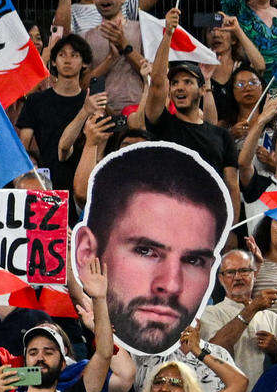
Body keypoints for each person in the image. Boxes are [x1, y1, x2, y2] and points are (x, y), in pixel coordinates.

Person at [75, 140, 234, 356]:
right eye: (146, 251)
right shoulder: (67, 344)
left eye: (193, 260)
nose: (170, 285)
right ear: (86, 252)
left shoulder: (207, 358)